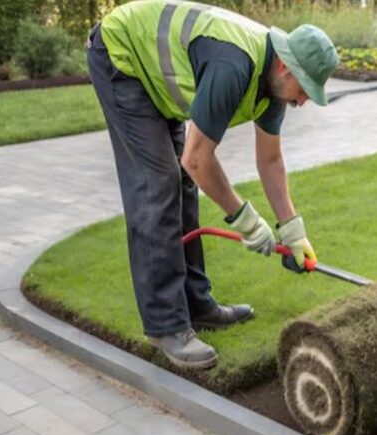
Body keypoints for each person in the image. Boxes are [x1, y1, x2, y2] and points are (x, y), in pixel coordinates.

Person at [85, 0, 338, 369]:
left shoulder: (273, 86)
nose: (303, 101)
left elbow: (270, 161)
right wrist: (245, 218)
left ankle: (197, 304)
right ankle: (165, 324)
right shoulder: (233, 65)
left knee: (182, 182)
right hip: (122, 58)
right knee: (158, 183)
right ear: (285, 66)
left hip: (156, 78)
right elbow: (198, 158)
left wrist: (293, 230)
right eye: (304, 89)